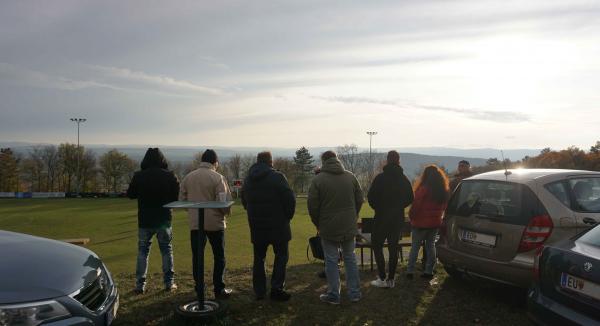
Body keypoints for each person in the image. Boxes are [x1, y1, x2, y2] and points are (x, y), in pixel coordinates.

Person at [308, 150, 364, 304]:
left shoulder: (318, 180)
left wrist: (318, 223)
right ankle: (355, 293)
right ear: (336, 159)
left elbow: (312, 206)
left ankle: (334, 294)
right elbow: (360, 199)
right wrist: (353, 216)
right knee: (350, 258)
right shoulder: (350, 176)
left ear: (323, 161)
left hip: (328, 227)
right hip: (348, 225)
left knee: (331, 260)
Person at [241, 151, 296, 301]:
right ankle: (277, 289)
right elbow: (290, 199)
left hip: (257, 225)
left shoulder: (248, 179)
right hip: (278, 225)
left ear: (258, 161)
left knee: (259, 258)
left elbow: (244, 200)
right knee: (281, 256)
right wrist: (287, 217)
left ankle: (259, 291)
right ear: (270, 162)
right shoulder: (278, 177)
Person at [180, 149, 233, 299]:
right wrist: (225, 213)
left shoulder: (189, 177)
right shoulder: (218, 178)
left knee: (197, 257)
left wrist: (191, 212)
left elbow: (182, 199)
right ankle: (219, 288)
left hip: (196, 223)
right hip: (215, 223)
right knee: (219, 256)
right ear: (215, 162)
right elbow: (224, 203)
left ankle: (199, 288)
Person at [126, 148, 180, 294]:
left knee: (143, 251)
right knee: (166, 250)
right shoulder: (170, 175)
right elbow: (176, 197)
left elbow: (130, 194)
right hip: (164, 219)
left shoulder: (139, 176)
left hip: (145, 220)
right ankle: (169, 283)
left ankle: (140, 285)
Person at [367, 150, 414, 288]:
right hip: (397, 218)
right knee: (393, 248)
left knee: (377, 245)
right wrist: (399, 207)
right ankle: (391, 279)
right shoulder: (404, 179)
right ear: (399, 161)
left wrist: (378, 207)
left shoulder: (380, 178)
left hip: (381, 217)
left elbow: (371, 197)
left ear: (387, 160)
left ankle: (382, 277)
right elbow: (410, 198)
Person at [406, 165, 450, 280]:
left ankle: (410, 270)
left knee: (415, 247)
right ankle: (429, 270)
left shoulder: (423, 188)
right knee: (431, 246)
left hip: (420, 223)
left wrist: (411, 216)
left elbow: (416, 205)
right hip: (435, 223)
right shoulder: (443, 190)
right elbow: (444, 207)